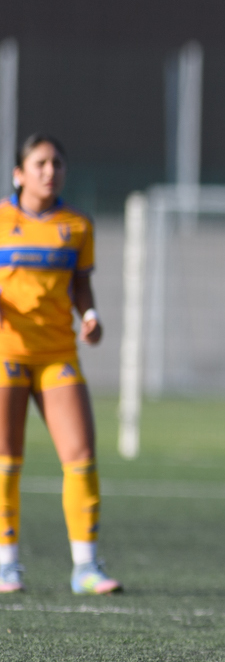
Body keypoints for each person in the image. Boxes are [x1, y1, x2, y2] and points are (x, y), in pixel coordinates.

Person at [0, 135, 119, 595]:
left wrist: (90, 317)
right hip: (7, 354)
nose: (51, 171)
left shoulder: (77, 225)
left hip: (57, 356)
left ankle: (85, 566)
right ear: (19, 174)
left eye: (58, 164)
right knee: (7, 462)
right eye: (41, 163)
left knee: (81, 457)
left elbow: (81, 286)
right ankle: (6, 563)